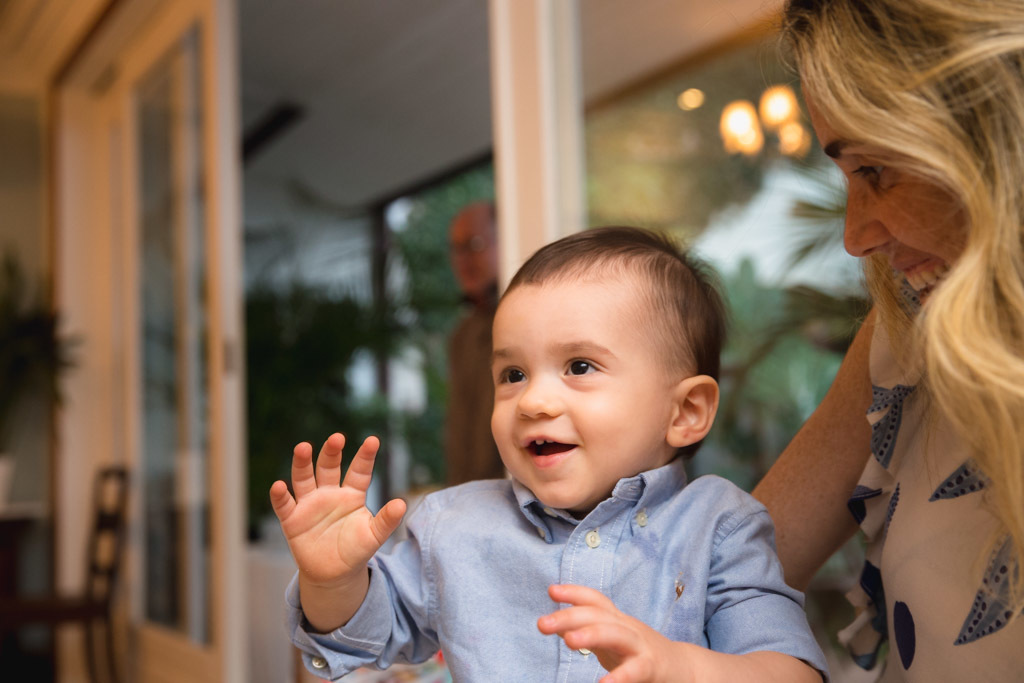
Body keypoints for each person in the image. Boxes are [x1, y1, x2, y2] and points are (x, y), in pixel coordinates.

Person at [270, 227, 828, 682]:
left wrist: (675, 665)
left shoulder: (719, 529)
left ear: (685, 412)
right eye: (512, 374)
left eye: (579, 366)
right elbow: (365, 637)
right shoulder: (454, 526)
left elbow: (789, 672)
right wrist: (333, 582)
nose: (533, 400)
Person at [752, 1, 1024, 680]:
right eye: (849, 178)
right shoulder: (909, 326)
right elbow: (737, 559)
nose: (855, 236)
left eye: (876, 170)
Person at [444, 200, 505, 485]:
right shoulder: (462, 334)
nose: (463, 259)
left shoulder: (520, 322)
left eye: (474, 244)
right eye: (457, 248)